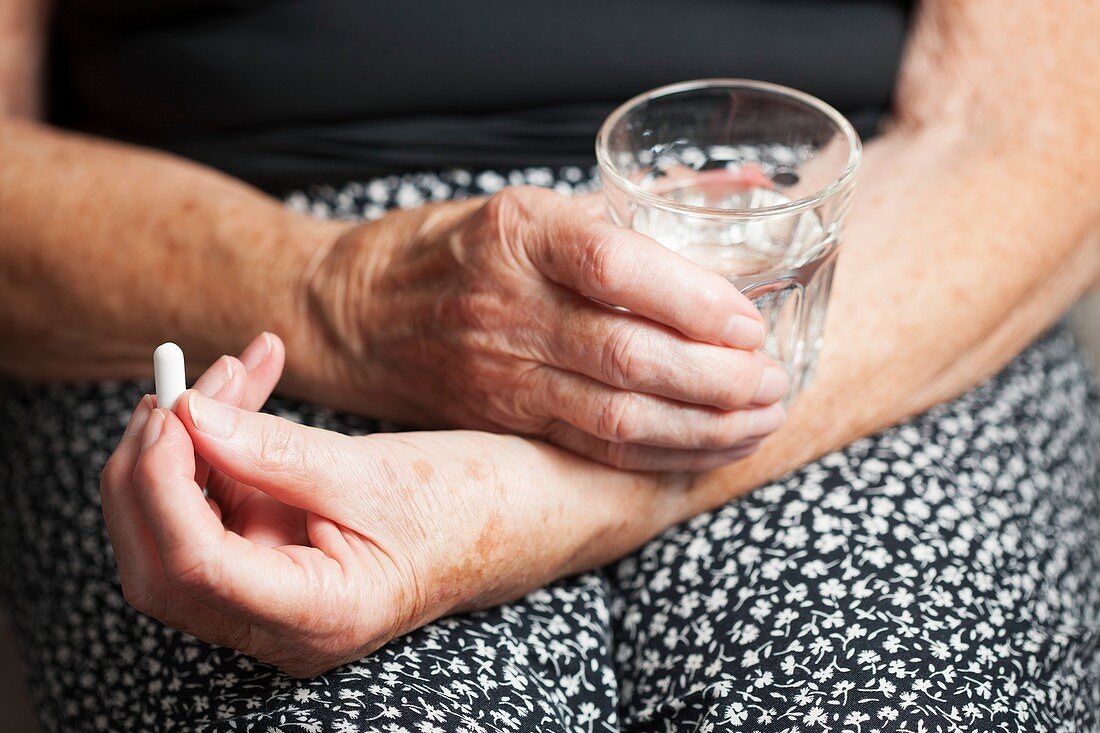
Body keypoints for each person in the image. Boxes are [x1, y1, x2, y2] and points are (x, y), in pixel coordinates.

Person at [1, 0, 1098, 730]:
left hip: (849, 264)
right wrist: (339, 293)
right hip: (227, 266)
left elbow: (1034, 126)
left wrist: (501, 504)